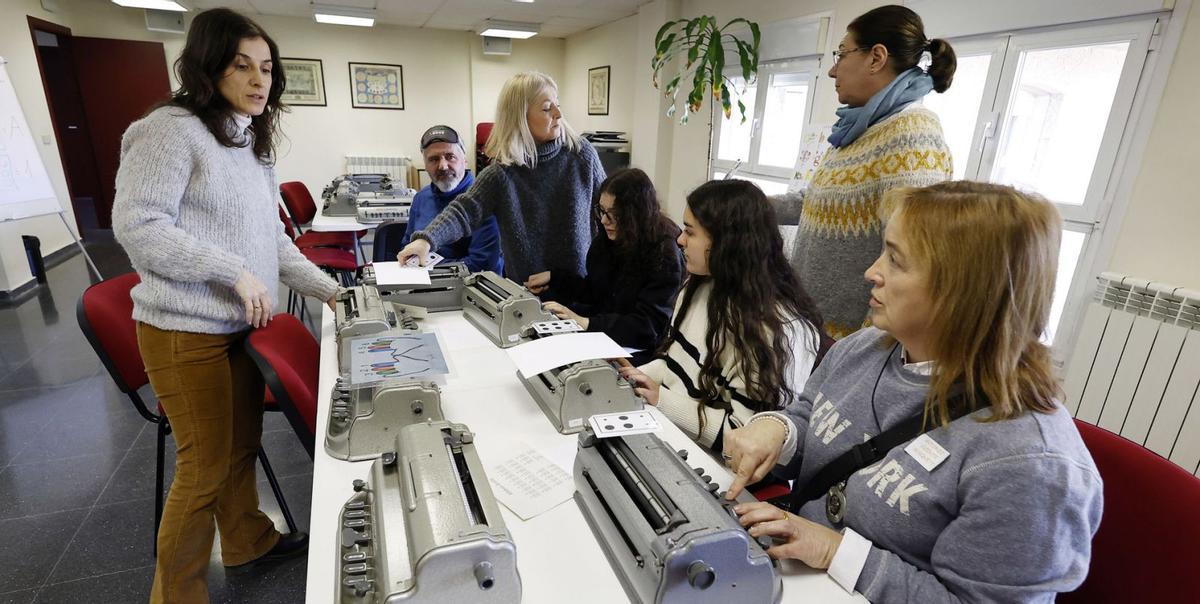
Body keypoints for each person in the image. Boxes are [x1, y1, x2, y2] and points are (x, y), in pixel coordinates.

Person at [725, 181, 1103, 602]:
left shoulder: (1031, 464)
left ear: (962, 291)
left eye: (895, 259)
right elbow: (810, 413)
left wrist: (836, 551)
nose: (872, 271)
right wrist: (776, 429)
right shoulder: (864, 347)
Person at [111, 8, 337, 602]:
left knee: (240, 448)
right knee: (204, 468)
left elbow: (272, 243)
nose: (259, 79)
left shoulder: (248, 139)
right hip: (184, 330)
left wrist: (334, 292)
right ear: (209, 67)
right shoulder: (169, 129)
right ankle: (176, 596)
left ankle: (247, 540)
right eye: (243, 66)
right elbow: (138, 226)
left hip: (240, 327)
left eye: (266, 68)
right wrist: (231, 271)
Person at [773, 4, 955, 339]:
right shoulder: (858, 129)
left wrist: (862, 350)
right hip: (809, 329)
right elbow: (813, 203)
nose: (832, 70)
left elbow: (915, 260)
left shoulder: (912, 136)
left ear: (876, 57)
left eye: (841, 54)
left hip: (845, 343)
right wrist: (744, 204)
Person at [618, 179, 824, 452]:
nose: (679, 239)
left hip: (712, 462)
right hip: (670, 430)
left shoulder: (770, 330)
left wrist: (661, 401)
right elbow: (674, 364)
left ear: (726, 242)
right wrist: (631, 376)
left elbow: (742, 437)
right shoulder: (701, 285)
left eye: (690, 233)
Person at [397, 72, 606, 299]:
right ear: (520, 117)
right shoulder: (502, 174)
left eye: (557, 105)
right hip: (527, 297)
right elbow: (464, 211)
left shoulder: (581, 155)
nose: (558, 114)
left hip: (581, 292)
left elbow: (610, 214)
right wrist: (426, 240)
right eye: (547, 108)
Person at [541, 168, 682, 365]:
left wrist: (586, 323)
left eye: (615, 214)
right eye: (602, 211)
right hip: (607, 337)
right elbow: (595, 292)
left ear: (635, 215)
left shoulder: (664, 253)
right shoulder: (609, 238)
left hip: (639, 351)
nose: (605, 220)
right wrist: (555, 278)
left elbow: (648, 327)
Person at [400, 125, 503, 273]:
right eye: (434, 159)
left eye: (450, 157)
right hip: (422, 283)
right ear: (425, 165)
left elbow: (482, 264)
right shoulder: (421, 198)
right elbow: (407, 246)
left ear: (464, 160)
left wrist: (426, 266)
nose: (443, 166)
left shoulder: (485, 199)